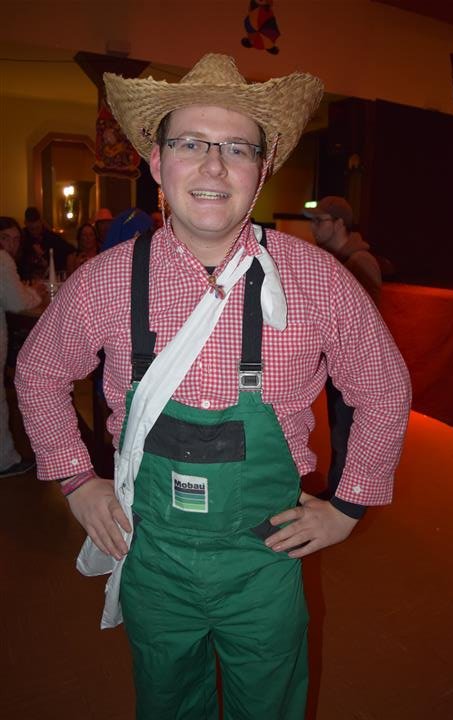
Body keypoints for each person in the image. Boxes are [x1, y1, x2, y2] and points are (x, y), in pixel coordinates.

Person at [15, 54, 411, 719]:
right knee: (167, 702)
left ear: (262, 166)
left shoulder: (317, 280)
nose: (214, 166)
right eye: (191, 143)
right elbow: (38, 372)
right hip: (152, 556)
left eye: (236, 148)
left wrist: (348, 506)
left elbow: (384, 387)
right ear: (156, 160)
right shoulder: (106, 281)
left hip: (264, 563)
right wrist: (76, 480)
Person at [305, 196, 383, 501]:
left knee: (348, 434)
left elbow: (366, 324)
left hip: (354, 367)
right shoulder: (330, 259)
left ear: (339, 224)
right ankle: (338, 491)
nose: (313, 228)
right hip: (336, 364)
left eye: (319, 221)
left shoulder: (360, 262)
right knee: (339, 431)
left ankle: (345, 500)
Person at [0, 217, 44, 478]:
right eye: (5, 238)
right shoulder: (3, 259)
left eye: (16, 239)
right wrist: (36, 292)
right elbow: (17, 301)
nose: (11, 244)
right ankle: (5, 461)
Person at [19, 206, 74, 279]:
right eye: (32, 229)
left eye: (37, 228)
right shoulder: (21, 237)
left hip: (50, 277)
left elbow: (70, 250)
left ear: (41, 222)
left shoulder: (50, 237)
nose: (35, 232)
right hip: (27, 279)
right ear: (26, 223)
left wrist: (70, 272)